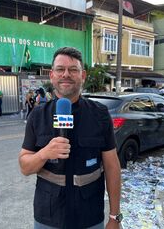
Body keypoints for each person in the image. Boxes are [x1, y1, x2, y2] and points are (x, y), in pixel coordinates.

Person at [19, 47, 122, 229]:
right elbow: (25, 167)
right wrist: (44, 153)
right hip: (48, 217)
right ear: (52, 75)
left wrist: (115, 217)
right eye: (60, 69)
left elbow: (112, 167)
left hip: (90, 216)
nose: (66, 74)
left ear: (82, 76)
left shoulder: (100, 114)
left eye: (73, 70)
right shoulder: (37, 115)